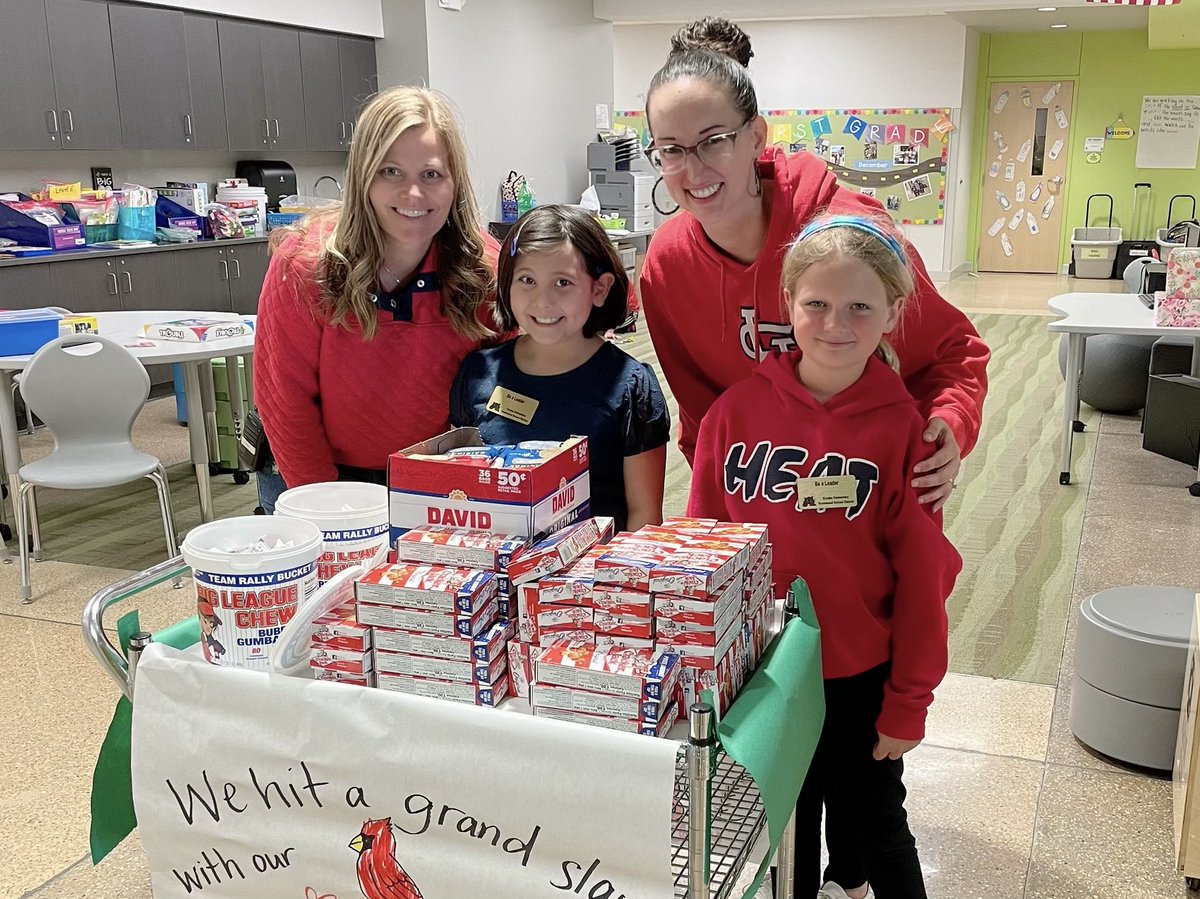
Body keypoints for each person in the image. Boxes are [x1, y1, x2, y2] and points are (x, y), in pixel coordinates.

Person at [687, 213, 963, 899]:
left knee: (874, 820)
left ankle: (856, 877)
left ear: (894, 312)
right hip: (760, 671)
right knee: (781, 825)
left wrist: (909, 702)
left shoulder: (906, 432)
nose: (836, 323)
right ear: (789, 304)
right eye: (817, 304)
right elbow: (702, 547)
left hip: (858, 675)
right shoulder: (734, 415)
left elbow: (923, 580)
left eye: (860, 307)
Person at [639, 35, 990, 512]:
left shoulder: (851, 235)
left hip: (865, 490)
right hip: (755, 489)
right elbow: (702, 411)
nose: (692, 169)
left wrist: (950, 420)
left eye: (714, 141)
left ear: (756, 137)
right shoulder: (667, 264)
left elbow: (953, 352)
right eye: (672, 150)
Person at [254, 86, 500, 502]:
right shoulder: (304, 266)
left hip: (437, 479)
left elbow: (517, 378)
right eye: (391, 171)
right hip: (313, 474)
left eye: (432, 174)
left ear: (455, 183)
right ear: (364, 175)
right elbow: (286, 403)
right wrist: (330, 510)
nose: (413, 194)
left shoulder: (483, 269)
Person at [450, 205, 670, 531]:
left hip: (594, 575)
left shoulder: (631, 387)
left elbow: (644, 519)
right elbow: (458, 491)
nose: (543, 301)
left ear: (599, 288)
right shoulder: (478, 373)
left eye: (563, 282)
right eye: (527, 280)